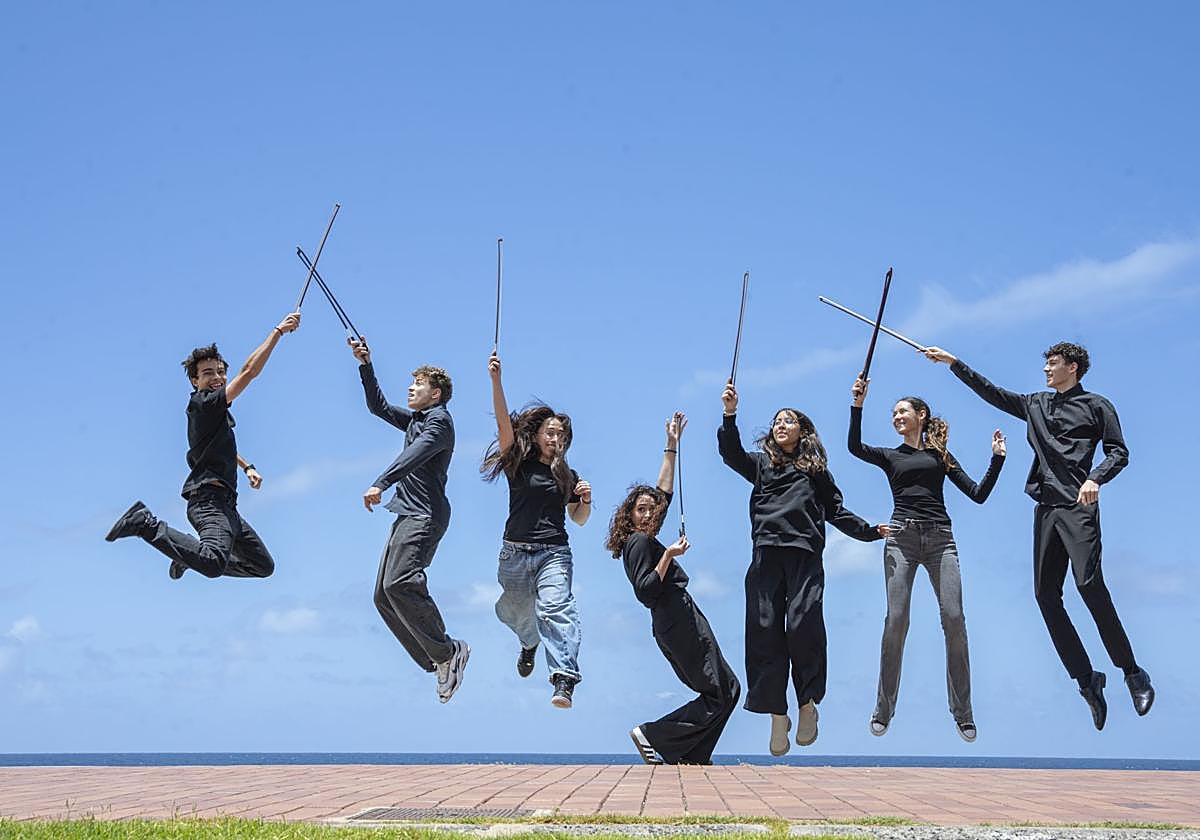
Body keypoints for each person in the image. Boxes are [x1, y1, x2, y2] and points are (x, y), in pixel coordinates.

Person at [924, 341, 1153, 729]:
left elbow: (1118, 452)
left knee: (1089, 585)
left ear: (1073, 368)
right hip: (1045, 509)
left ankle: (1132, 672)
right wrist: (953, 363)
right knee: (1045, 596)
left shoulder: (1098, 406)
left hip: (1079, 507)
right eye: (1046, 364)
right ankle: (1087, 681)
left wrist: (1096, 478)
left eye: (1053, 364)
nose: (1046, 370)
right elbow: (992, 392)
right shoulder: (1035, 404)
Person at [718, 380, 886, 754]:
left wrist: (871, 531)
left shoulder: (815, 471)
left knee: (802, 624)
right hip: (765, 553)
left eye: (788, 420)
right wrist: (730, 414)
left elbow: (837, 512)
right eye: (777, 420)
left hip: (805, 553)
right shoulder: (760, 464)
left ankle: (807, 703)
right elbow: (730, 453)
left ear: (802, 430)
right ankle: (778, 713)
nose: (781, 424)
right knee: (764, 631)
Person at [848, 375, 1006, 742]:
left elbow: (978, 494)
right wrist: (858, 403)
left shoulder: (941, 457)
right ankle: (883, 710)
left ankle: (963, 713)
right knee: (897, 619)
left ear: (921, 415)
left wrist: (997, 460)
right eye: (893, 413)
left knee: (954, 617)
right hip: (901, 538)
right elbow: (854, 446)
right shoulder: (891, 456)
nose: (896, 417)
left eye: (902, 411)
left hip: (940, 539)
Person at [105, 312, 301, 582]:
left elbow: (221, 447)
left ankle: (186, 554)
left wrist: (247, 467)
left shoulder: (216, 415)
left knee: (261, 565)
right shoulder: (203, 403)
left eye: (221, 372)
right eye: (208, 373)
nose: (217, 377)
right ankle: (146, 524)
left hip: (227, 507)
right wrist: (278, 332)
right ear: (195, 381)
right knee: (211, 563)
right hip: (208, 503)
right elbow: (249, 372)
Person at [607, 412, 740, 765]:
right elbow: (645, 590)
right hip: (673, 618)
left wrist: (671, 444)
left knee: (727, 689)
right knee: (721, 690)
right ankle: (653, 734)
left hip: (680, 615)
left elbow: (663, 490)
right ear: (630, 516)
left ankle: (694, 754)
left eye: (652, 509)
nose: (649, 513)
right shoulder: (637, 543)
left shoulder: (646, 535)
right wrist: (667, 554)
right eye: (641, 509)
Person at [349, 337, 469, 704]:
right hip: (407, 514)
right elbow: (378, 407)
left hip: (425, 514)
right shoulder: (417, 420)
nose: (410, 389)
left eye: (417, 385)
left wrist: (380, 482)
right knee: (383, 596)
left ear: (436, 394)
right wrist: (365, 364)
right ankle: (438, 661)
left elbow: (415, 456)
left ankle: (448, 651)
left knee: (400, 582)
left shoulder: (439, 423)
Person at [482, 351, 591, 708]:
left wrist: (585, 500)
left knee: (556, 608)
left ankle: (564, 679)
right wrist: (496, 381)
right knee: (515, 611)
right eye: (551, 431)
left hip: (554, 553)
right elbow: (502, 425)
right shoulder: (518, 461)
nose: (556, 437)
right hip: (514, 552)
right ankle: (529, 644)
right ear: (539, 433)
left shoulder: (568, 476)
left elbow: (578, 519)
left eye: (561, 433)